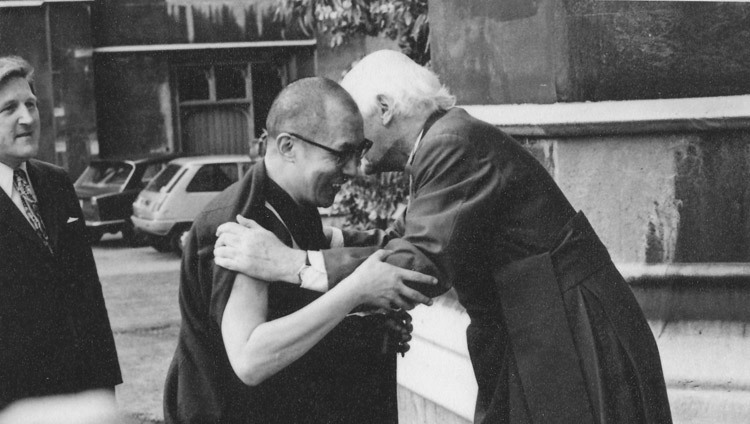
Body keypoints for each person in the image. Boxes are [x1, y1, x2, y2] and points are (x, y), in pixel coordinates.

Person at [214, 50, 673, 424]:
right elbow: (401, 241)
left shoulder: (452, 144)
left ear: (386, 109)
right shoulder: (445, 140)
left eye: (356, 132)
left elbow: (418, 266)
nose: (353, 150)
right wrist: (323, 238)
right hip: (541, 319)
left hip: (570, 323)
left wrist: (292, 265)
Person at [163, 77, 436, 424]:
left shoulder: (293, 204)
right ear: (289, 146)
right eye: (341, 154)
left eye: (359, 150)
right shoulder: (244, 226)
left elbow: (296, 298)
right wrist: (355, 292)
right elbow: (251, 358)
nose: (355, 169)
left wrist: (363, 329)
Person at [0, 56, 121, 409]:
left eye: (31, 104)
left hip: (80, 393)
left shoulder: (56, 182)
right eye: (9, 108)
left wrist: (105, 387)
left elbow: (88, 295)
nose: (27, 118)